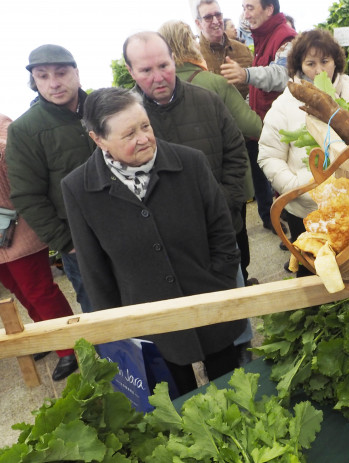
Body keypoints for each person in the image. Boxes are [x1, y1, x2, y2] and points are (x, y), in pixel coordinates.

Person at [62, 87, 245, 395]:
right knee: (176, 404)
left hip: (210, 301)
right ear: (99, 140)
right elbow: (94, 269)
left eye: (145, 126)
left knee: (232, 389)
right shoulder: (78, 188)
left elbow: (222, 232)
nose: (144, 138)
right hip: (148, 321)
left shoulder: (191, 162)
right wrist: (119, 327)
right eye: (129, 134)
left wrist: (220, 282)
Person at [123, 32, 255, 360]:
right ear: (130, 72)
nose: (158, 77)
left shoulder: (206, 100)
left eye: (164, 65)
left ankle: (240, 353)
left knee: (232, 300)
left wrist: (225, 204)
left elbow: (237, 153)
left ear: (174, 60)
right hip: (168, 243)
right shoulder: (126, 118)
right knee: (186, 316)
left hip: (220, 229)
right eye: (145, 70)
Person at [258, 30, 349, 275]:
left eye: (325, 61)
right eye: (311, 63)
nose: (319, 70)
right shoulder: (285, 105)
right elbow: (269, 156)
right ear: (299, 66)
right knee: (311, 274)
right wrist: (298, 186)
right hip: (306, 212)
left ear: (336, 62)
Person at [6, 44, 96, 319]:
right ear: (34, 81)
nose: (54, 83)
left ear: (77, 73)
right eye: (42, 76)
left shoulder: (104, 107)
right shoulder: (24, 130)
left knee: (147, 302)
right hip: (80, 241)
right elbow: (26, 196)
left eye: (61, 73)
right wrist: (67, 242)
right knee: (99, 312)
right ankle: (116, 363)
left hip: (129, 228)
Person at [0, 111, 78, 381]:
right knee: (19, 291)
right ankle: (47, 336)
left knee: (40, 291)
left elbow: (17, 169)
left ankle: (71, 347)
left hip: (19, 231)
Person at [221, 0, 297, 232]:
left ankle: (301, 247)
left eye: (250, 7)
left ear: (269, 9)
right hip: (265, 126)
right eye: (244, 7)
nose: (245, 13)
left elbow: (281, 75)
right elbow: (258, 90)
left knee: (290, 193)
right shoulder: (263, 37)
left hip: (282, 130)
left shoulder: (286, 37)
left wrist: (245, 74)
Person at [195, 0, 254, 101]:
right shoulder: (195, 57)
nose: (215, 21)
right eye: (208, 17)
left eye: (218, 15)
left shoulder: (243, 50)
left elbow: (256, 86)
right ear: (198, 23)